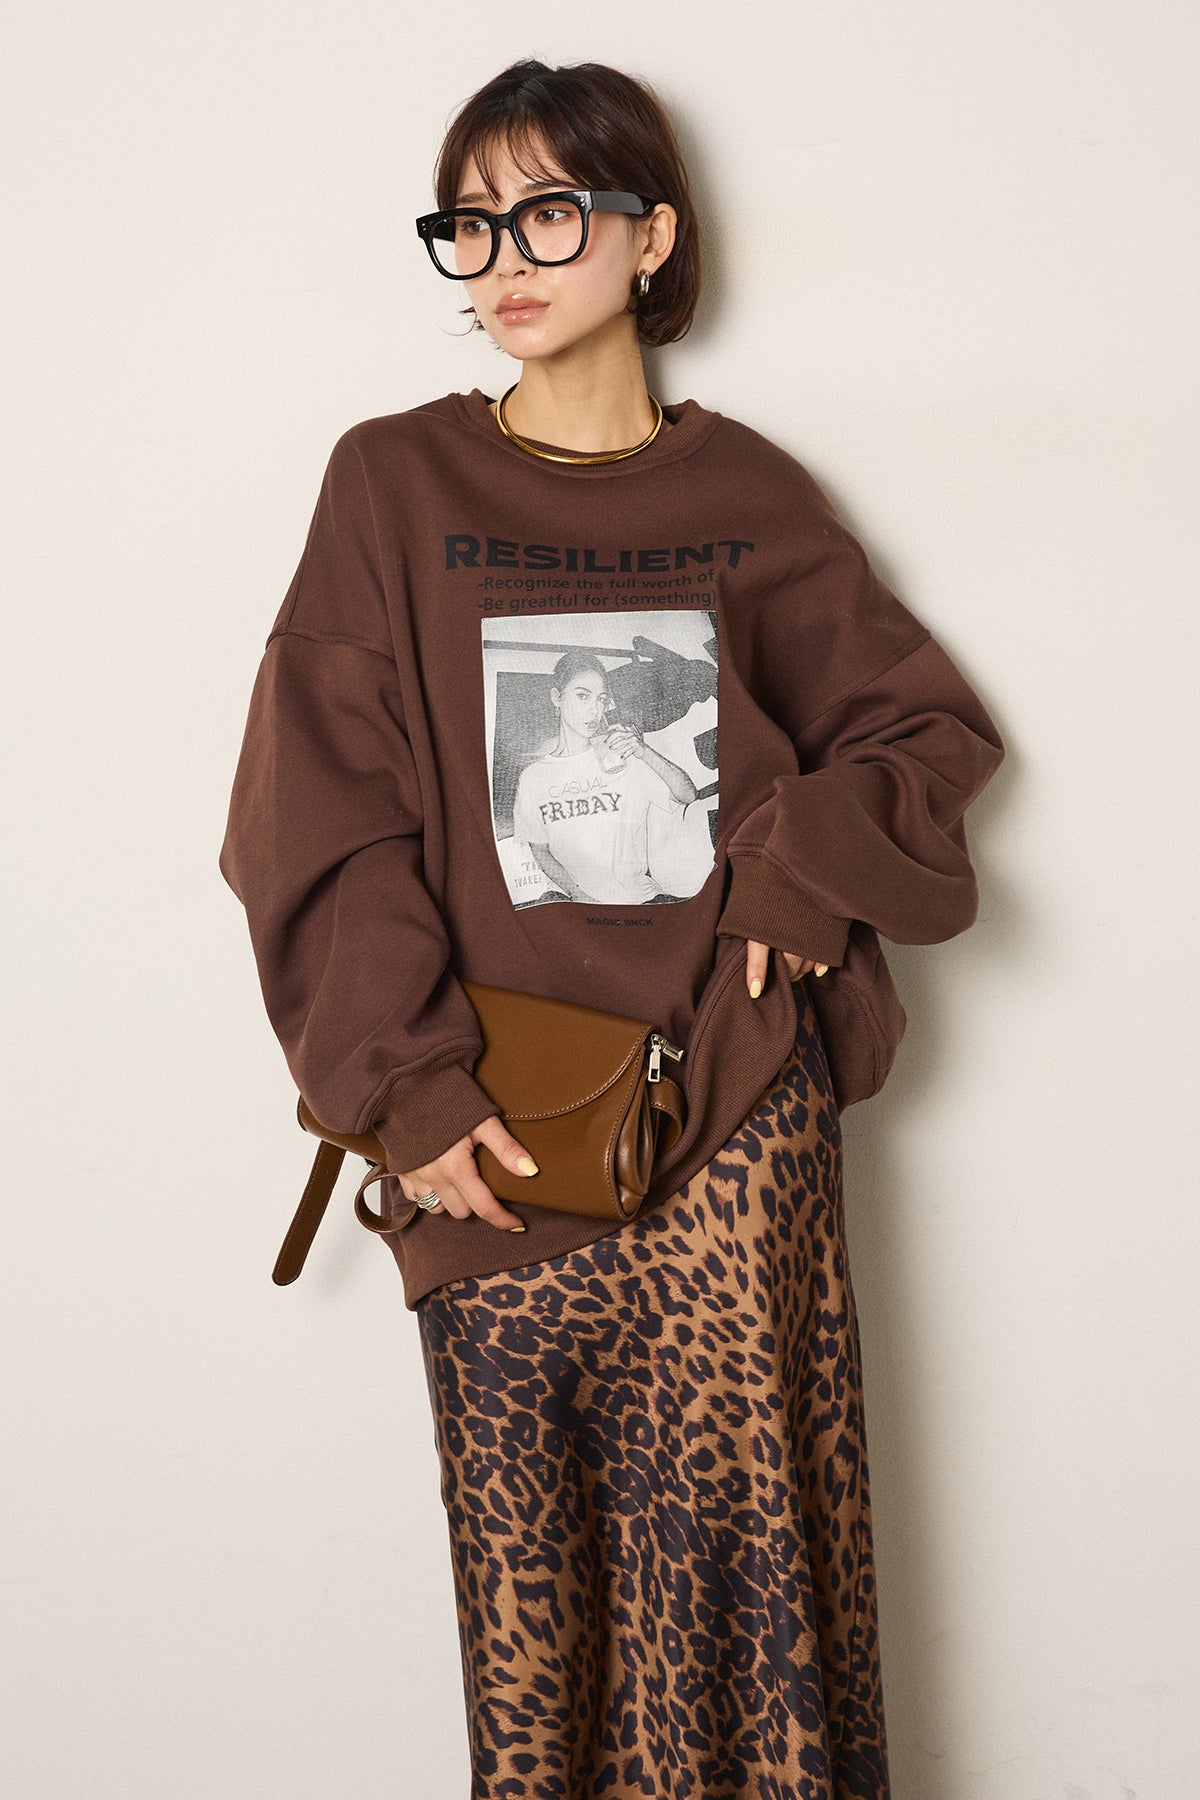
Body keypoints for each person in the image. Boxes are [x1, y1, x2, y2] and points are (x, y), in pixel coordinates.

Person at [219, 57, 1004, 1799]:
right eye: (472, 222)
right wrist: (404, 1089)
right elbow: (314, 809)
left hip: (731, 1122)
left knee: (760, 1619)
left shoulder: (748, 498)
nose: (505, 257)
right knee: (540, 1646)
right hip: (496, 1145)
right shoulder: (393, 486)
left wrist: (798, 873)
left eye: (551, 213)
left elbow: (923, 733)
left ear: (652, 238)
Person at [511, 648, 699, 904]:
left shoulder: (623, 756)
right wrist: (579, 896)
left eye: (601, 699)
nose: (594, 710)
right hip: (574, 904)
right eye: (582, 696)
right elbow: (540, 851)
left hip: (640, 900)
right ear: (557, 697)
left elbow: (688, 795)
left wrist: (644, 752)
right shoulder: (533, 777)